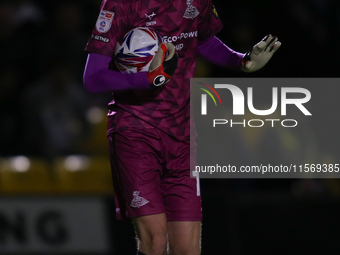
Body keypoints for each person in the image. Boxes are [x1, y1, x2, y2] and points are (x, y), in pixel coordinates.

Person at [83, 0, 281, 254]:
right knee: (155, 241)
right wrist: (147, 79)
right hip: (135, 131)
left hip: (182, 136)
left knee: (187, 248)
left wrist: (240, 61)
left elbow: (202, 40)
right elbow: (93, 78)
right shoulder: (121, 4)